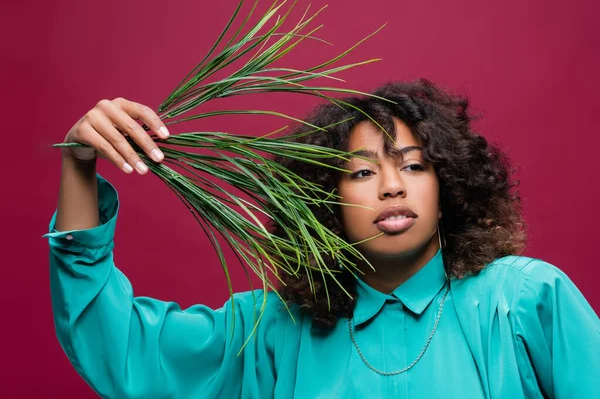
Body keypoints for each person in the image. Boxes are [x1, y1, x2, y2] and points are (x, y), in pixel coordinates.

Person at [44, 80, 599, 398]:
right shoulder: (271, 332)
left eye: (414, 166)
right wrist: (79, 166)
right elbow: (118, 347)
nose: (390, 187)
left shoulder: (525, 302)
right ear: (323, 202)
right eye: (360, 173)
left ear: (448, 184)